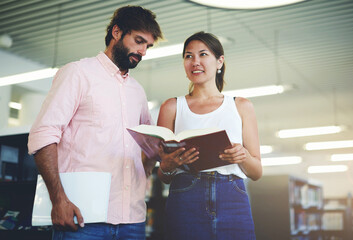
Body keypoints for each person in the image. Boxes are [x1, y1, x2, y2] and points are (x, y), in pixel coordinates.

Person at [28, 5, 163, 240]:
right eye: (139, 41)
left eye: (147, 46)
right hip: (82, 219)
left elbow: (147, 147)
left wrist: (160, 155)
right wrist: (58, 199)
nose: (143, 51)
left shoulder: (138, 92)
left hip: (133, 221)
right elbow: (43, 136)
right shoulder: (77, 74)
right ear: (117, 32)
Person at [157, 31, 262, 240]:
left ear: (219, 61)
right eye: (188, 56)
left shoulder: (241, 106)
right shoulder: (171, 107)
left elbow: (257, 172)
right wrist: (168, 166)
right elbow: (164, 176)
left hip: (232, 195)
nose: (195, 62)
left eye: (203, 54)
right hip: (186, 195)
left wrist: (243, 156)